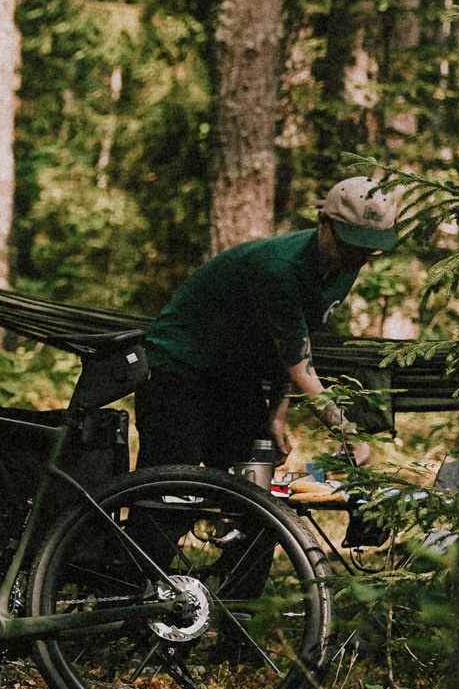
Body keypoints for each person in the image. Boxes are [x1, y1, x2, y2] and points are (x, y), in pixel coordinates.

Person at [137, 176, 400, 475]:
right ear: (322, 221)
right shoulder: (279, 269)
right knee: (171, 493)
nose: (358, 260)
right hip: (177, 367)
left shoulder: (344, 266)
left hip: (234, 375)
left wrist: (277, 412)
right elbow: (302, 369)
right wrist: (348, 433)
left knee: (251, 482)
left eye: (370, 251)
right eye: (350, 246)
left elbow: (295, 348)